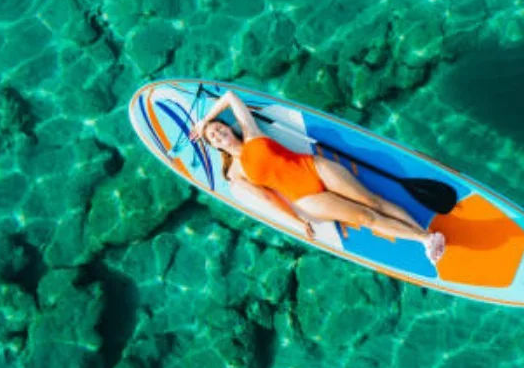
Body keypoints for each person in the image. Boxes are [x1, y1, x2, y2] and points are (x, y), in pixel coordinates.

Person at [189, 90, 447, 264]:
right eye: (212, 136)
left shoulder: (250, 131)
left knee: (373, 200)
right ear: (215, 146)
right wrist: (296, 222)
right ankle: (423, 239)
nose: (218, 133)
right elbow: (269, 200)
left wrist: (204, 122)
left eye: (218, 128)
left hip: (313, 166)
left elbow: (231, 97)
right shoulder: (235, 173)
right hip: (305, 198)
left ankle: (426, 237)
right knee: (366, 217)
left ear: (225, 126)